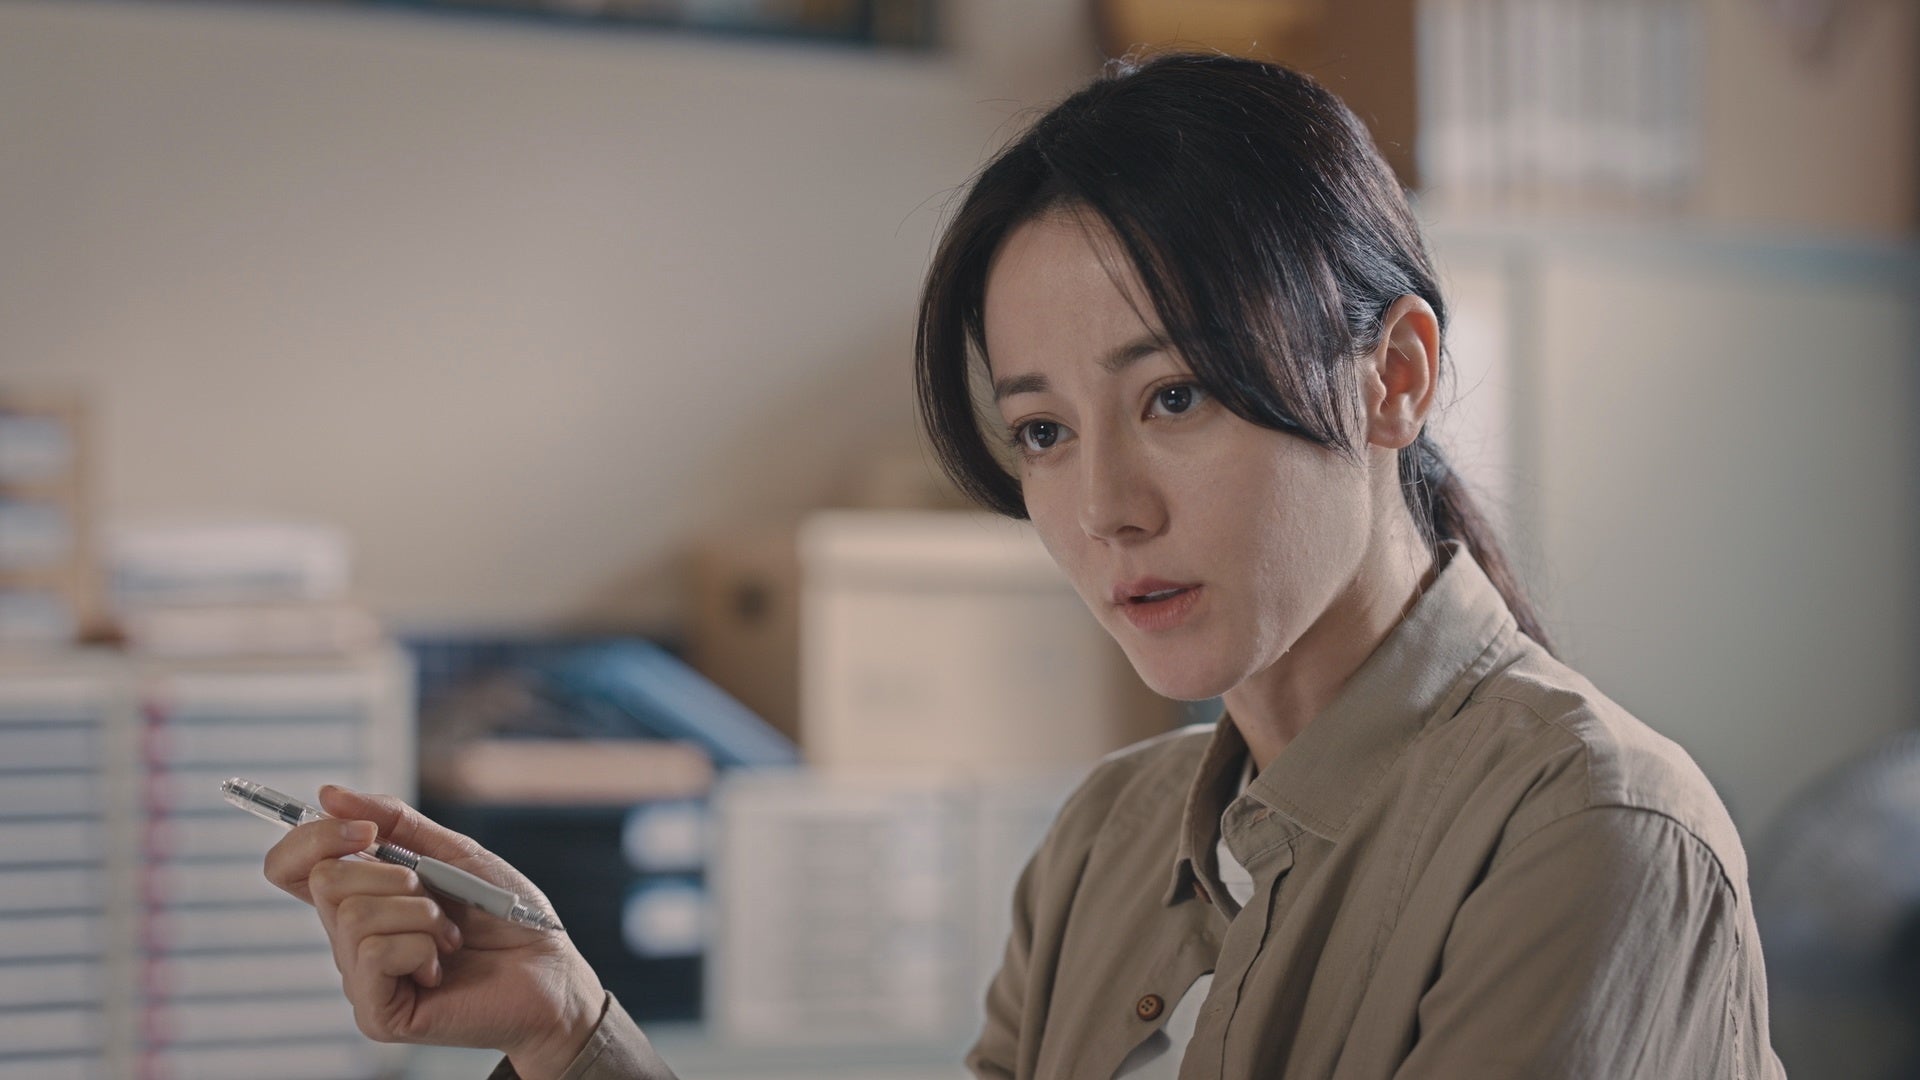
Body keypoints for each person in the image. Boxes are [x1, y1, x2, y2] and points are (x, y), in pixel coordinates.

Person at [263, 53, 1787, 1079]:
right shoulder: (1107, 845)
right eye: (1043, 431)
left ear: (1394, 377)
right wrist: (568, 1025)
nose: (1103, 508)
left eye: (1174, 397)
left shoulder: (1591, 837)